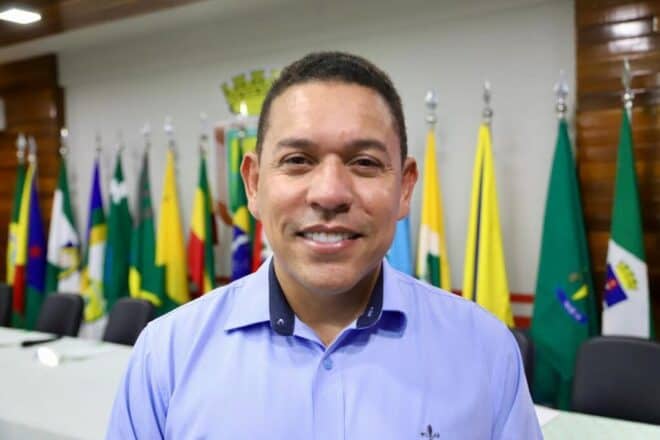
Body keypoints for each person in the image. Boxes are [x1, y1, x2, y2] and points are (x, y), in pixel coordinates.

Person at [106, 51, 542, 439]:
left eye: (365, 162)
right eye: (298, 160)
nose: (330, 193)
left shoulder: (486, 351)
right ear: (254, 184)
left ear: (405, 188)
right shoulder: (166, 355)